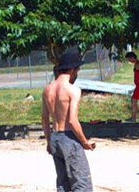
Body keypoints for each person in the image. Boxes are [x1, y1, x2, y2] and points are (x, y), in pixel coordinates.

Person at [42, 52, 95, 192]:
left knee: (63, 183)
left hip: (55, 138)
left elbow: (44, 120)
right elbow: (72, 121)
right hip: (69, 138)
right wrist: (85, 142)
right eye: (77, 70)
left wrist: (49, 141)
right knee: (82, 183)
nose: (77, 74)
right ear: (72, 70)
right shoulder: (73, 90)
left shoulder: (47, 90)